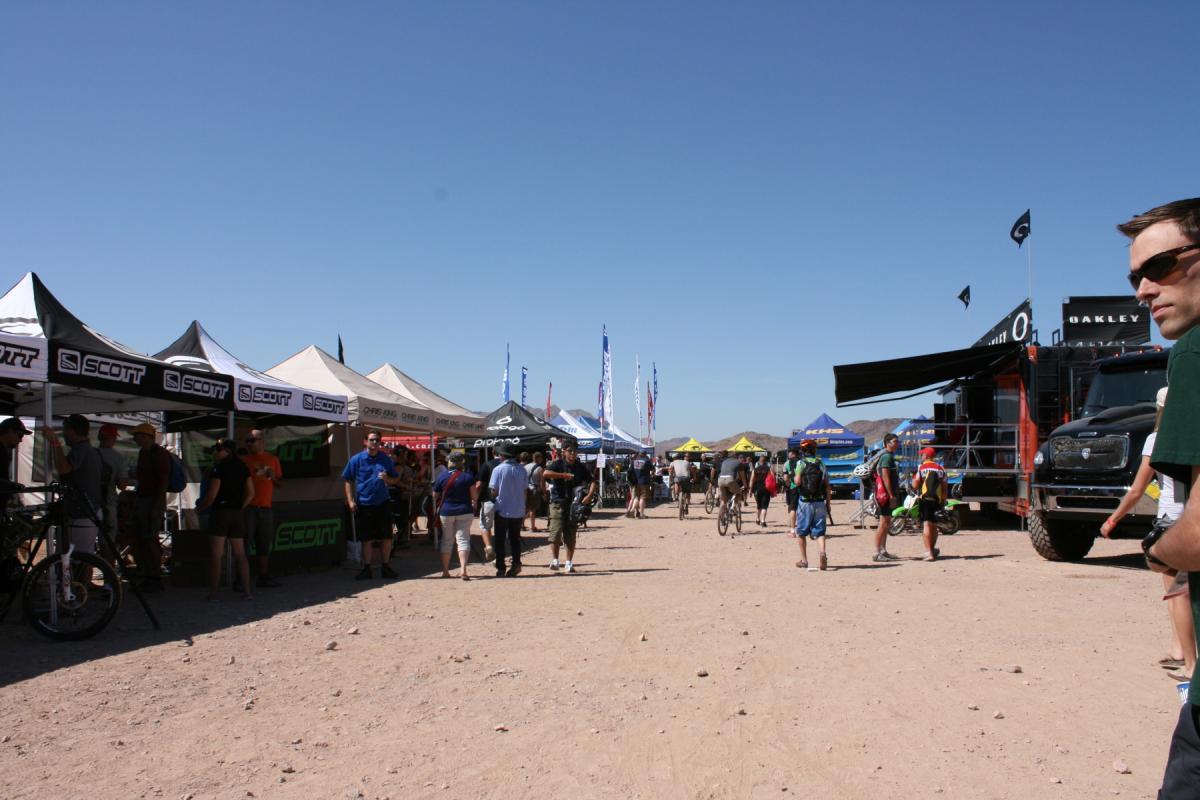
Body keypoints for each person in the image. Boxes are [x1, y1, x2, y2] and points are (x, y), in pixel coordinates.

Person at [1120, 198, 1200, 797]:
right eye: (1135, 278)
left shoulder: (1194, 352)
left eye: (1164, 266)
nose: (1145, 290)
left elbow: (1197, 536)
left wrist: (1157, 551)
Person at [1102, 387, 1194, 682]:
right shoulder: (1194, 434)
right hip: (1194, 516)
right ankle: (1178, 648)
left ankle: (1188, 661)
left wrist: (1114, 518)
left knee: (1177, 592)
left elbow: (1139, 488)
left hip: (1171, 520)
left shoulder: (1157, 439)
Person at [196, 438, 254, 601]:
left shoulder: (218, 468)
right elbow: (251, 493)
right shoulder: (243, 467)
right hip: (237, 513)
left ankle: (213, 593)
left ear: (226, 451)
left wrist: (200, 508)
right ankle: (247, 592)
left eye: (218, 449)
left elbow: (212, 495)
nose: (215, 452)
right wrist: (240, 507)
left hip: (220, 513)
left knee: (216, 555)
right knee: (240, 554)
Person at [342, 432, 401, 581]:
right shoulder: (357, 459)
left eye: (377, 440)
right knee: (366, 539)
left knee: (386, 537)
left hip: (383, 502)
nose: (375, 443)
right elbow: (348, 480)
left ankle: (385, 566)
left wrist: (387, 479)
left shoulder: (385, 459)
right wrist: (350, 501)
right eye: (372, 440)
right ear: (365, 441)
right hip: (364, 503)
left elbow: (396, 479)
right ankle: (367, 568)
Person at [44, 415, 104, 561]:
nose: (63, 434)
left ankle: (79, 583)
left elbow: (64, 469)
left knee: (73, 558)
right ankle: (83, 583)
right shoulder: (91, 450)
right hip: (89, 510)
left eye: (64, 431)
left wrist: (55, 443)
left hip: (81, 512)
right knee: (85, 557)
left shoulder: (81, 449)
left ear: (72, 431)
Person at [542, 442, 597, 573]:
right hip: (557, 503)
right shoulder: (558, 464)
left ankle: (568, 562)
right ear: (564, 451)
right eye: (570, 450)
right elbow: (545, 474)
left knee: (570, 534)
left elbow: (593, 481)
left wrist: (589, 495)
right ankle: (555, 560)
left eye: (574, 451)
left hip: (574, 505)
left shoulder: (580, 467)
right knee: (555, 532)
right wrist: (563, 476)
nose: (573, 453)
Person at [129, 422, 171, 592]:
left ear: (146, 436)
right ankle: (147, 574)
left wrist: (157, 505)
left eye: (137, 435)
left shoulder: (159, 454)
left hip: (153, 501)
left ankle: (155, 576)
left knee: (150, 539)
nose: (135, 438)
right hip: (143, 499)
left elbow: (163, 480)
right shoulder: (143, 453)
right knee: (141, 539)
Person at [241, 429, 283, 588]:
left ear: (262, 441)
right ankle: (241, 579)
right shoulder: (243, 460)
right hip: (249, 507)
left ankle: (263, 577)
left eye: (252, 440)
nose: (249, 444)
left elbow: (280, 484)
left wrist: (273, 477)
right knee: (245, 543)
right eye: (248, 441)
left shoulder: (272, 459)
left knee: (264, 543)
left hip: (266, 507)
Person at [433, 452, 477, 580]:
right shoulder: (468, 477)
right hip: (465, 510)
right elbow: (474, 496)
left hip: (446, 511)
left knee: (447, 540)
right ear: (461, 463)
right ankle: (463, 570)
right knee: (463, 540)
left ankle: (446, 571)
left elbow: (434, 495)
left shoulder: (442, 476)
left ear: (449, 462)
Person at [488, 443, 526, 577]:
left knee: (499, 540)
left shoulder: (498, 469)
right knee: (515, 539)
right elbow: (524, 491)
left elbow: (494, 491)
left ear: (502, 455)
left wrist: (491, 500)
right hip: (518, 509)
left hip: (502, 508)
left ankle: (501, 567)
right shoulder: (522, 469)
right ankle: (516, 564)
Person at [793, 439, 831, 571]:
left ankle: (804, 560)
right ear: (814, 450)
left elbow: (797, 481)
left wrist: (795, 479)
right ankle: (822, 552)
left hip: (805, 501)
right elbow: (827, 485)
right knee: (820, 531)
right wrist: (829, 503)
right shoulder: (821, 463)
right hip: (820, 501)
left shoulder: (801, 463)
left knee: (801, 532)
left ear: (803, 451)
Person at [912, 447, 946, 562]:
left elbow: (915, 485)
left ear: (926, 456)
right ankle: (932, 548)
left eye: (922, 455)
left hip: (925, 499)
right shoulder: (940, 468)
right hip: (937, 500)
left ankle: (928, 552)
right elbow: (945, 488)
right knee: (934, 526)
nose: (921, 457)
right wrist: (943, 502)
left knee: (926, 525)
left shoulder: (921, 468)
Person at [872, 434, 902, 563]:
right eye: (895, 441)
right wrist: (891, 495)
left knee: (887, 523)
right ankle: (877, 552)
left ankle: (883, 550)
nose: (897, 443)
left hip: (886, 494)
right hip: (884, 495)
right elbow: (885, 476)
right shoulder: (887, 457)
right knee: (883, 523)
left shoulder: (889, 457)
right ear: (887, 443)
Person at [96, 423, 128, 540]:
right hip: (108, 504)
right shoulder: (118, 458)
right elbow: (122, 486)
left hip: (87, 504)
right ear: (114, 438)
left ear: (99, 437)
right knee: (107, 541)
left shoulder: (90, 454)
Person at [474, 451, 501, 563]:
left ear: (493, 452)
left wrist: (475, 498)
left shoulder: (487, 465)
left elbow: (479, 484)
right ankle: (500, 553)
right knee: (501, 528)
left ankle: (489, 547)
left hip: (488, 500)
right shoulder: (510, 466)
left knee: (485, 526)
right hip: (504, 502)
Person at [388, 444, 414, 550]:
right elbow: (396, 481)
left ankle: (395, 539)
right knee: (396, 520)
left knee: (398, 519)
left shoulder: (396, 464)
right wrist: (408, 487)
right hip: (394, 495)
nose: (406, 457)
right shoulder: (397, 465)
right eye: (405, 454)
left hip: (395, 495)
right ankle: (394, 539)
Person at [0, 417, 31, 496]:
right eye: (20, 435)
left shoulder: (5, 450)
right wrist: (11, 485)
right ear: (10, 431)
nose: (21, 440)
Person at [628, 451, 653, 519]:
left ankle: (632, 511)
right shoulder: (647, 461)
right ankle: (641, 514)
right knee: (642, 498)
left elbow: (630, 471)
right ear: (645, 454)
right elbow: (652, 469)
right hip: (644, 482)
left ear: (639, 454)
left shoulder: (634, 461)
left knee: (637, 497)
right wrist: (651, 475)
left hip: (636, 482)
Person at [524, 451, 545, 533]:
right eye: (541, 458)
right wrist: (544, 493)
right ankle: (532, 527)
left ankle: (522, 525)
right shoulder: (540, 469)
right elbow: (542, 482)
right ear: (538, 458)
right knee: (532, 509)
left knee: (525, 508)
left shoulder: (526, 467)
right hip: (534, 489)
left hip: (526, 489)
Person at [749, 455, 772, 527]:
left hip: (757, 489)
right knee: (764, 506)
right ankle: (763, 521)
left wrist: (750, 490)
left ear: (759, 462)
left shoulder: (755, 469)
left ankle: (757, 519)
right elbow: (773, 480)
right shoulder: (769, 469)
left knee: (759, 506)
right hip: (766, 489)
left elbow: (752, 480)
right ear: (766, 462)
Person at [783, 449, 800, 531]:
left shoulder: (787, 463)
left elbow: (785, 478)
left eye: (789, 453)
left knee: (792, 508)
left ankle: (792, 528)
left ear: (793, 453)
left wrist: (788, 485)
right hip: (803, 487)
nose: (788, 454)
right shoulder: (802, 462)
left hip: (792, 487)